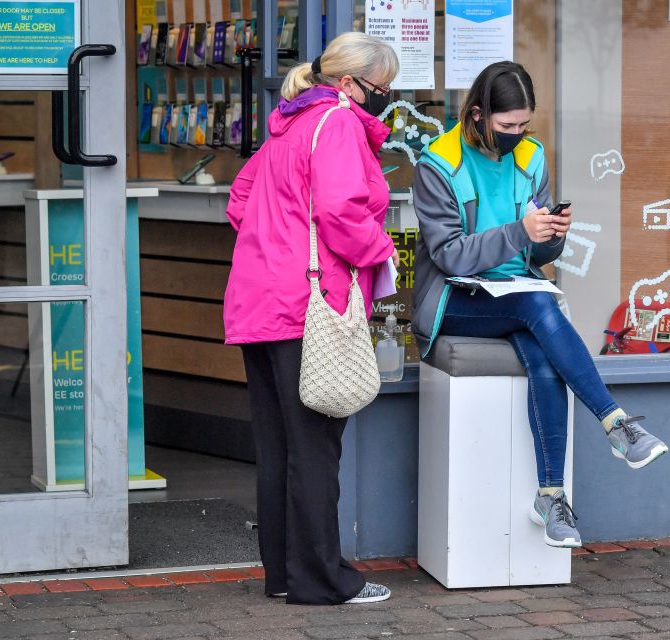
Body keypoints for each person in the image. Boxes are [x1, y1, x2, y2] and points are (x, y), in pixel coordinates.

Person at [411, 61, 669, 549]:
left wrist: (551, 237)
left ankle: (551, 496)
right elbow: (447, 255)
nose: (517, 135)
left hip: (515, 293)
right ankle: (615, 423)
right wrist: (518, 232)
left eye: (524, 125)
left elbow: (538, 254)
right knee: (539, 307)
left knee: (541, 344)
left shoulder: (531, 157)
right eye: (507, 126)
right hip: (453, 299)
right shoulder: (437, 163)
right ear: (477, 115)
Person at [223, 32, 399, 605]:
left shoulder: (287, 125)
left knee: (280, 448)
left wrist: (276, 248)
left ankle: (286, 576)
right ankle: (324, 581)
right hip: (308, 307)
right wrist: (382, 250)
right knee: (317, 447)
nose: (386, 99)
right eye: (381, 88)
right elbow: (342, 210)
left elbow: (239, 202)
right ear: (348, 84)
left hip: (262, 302)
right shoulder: (340, 123)